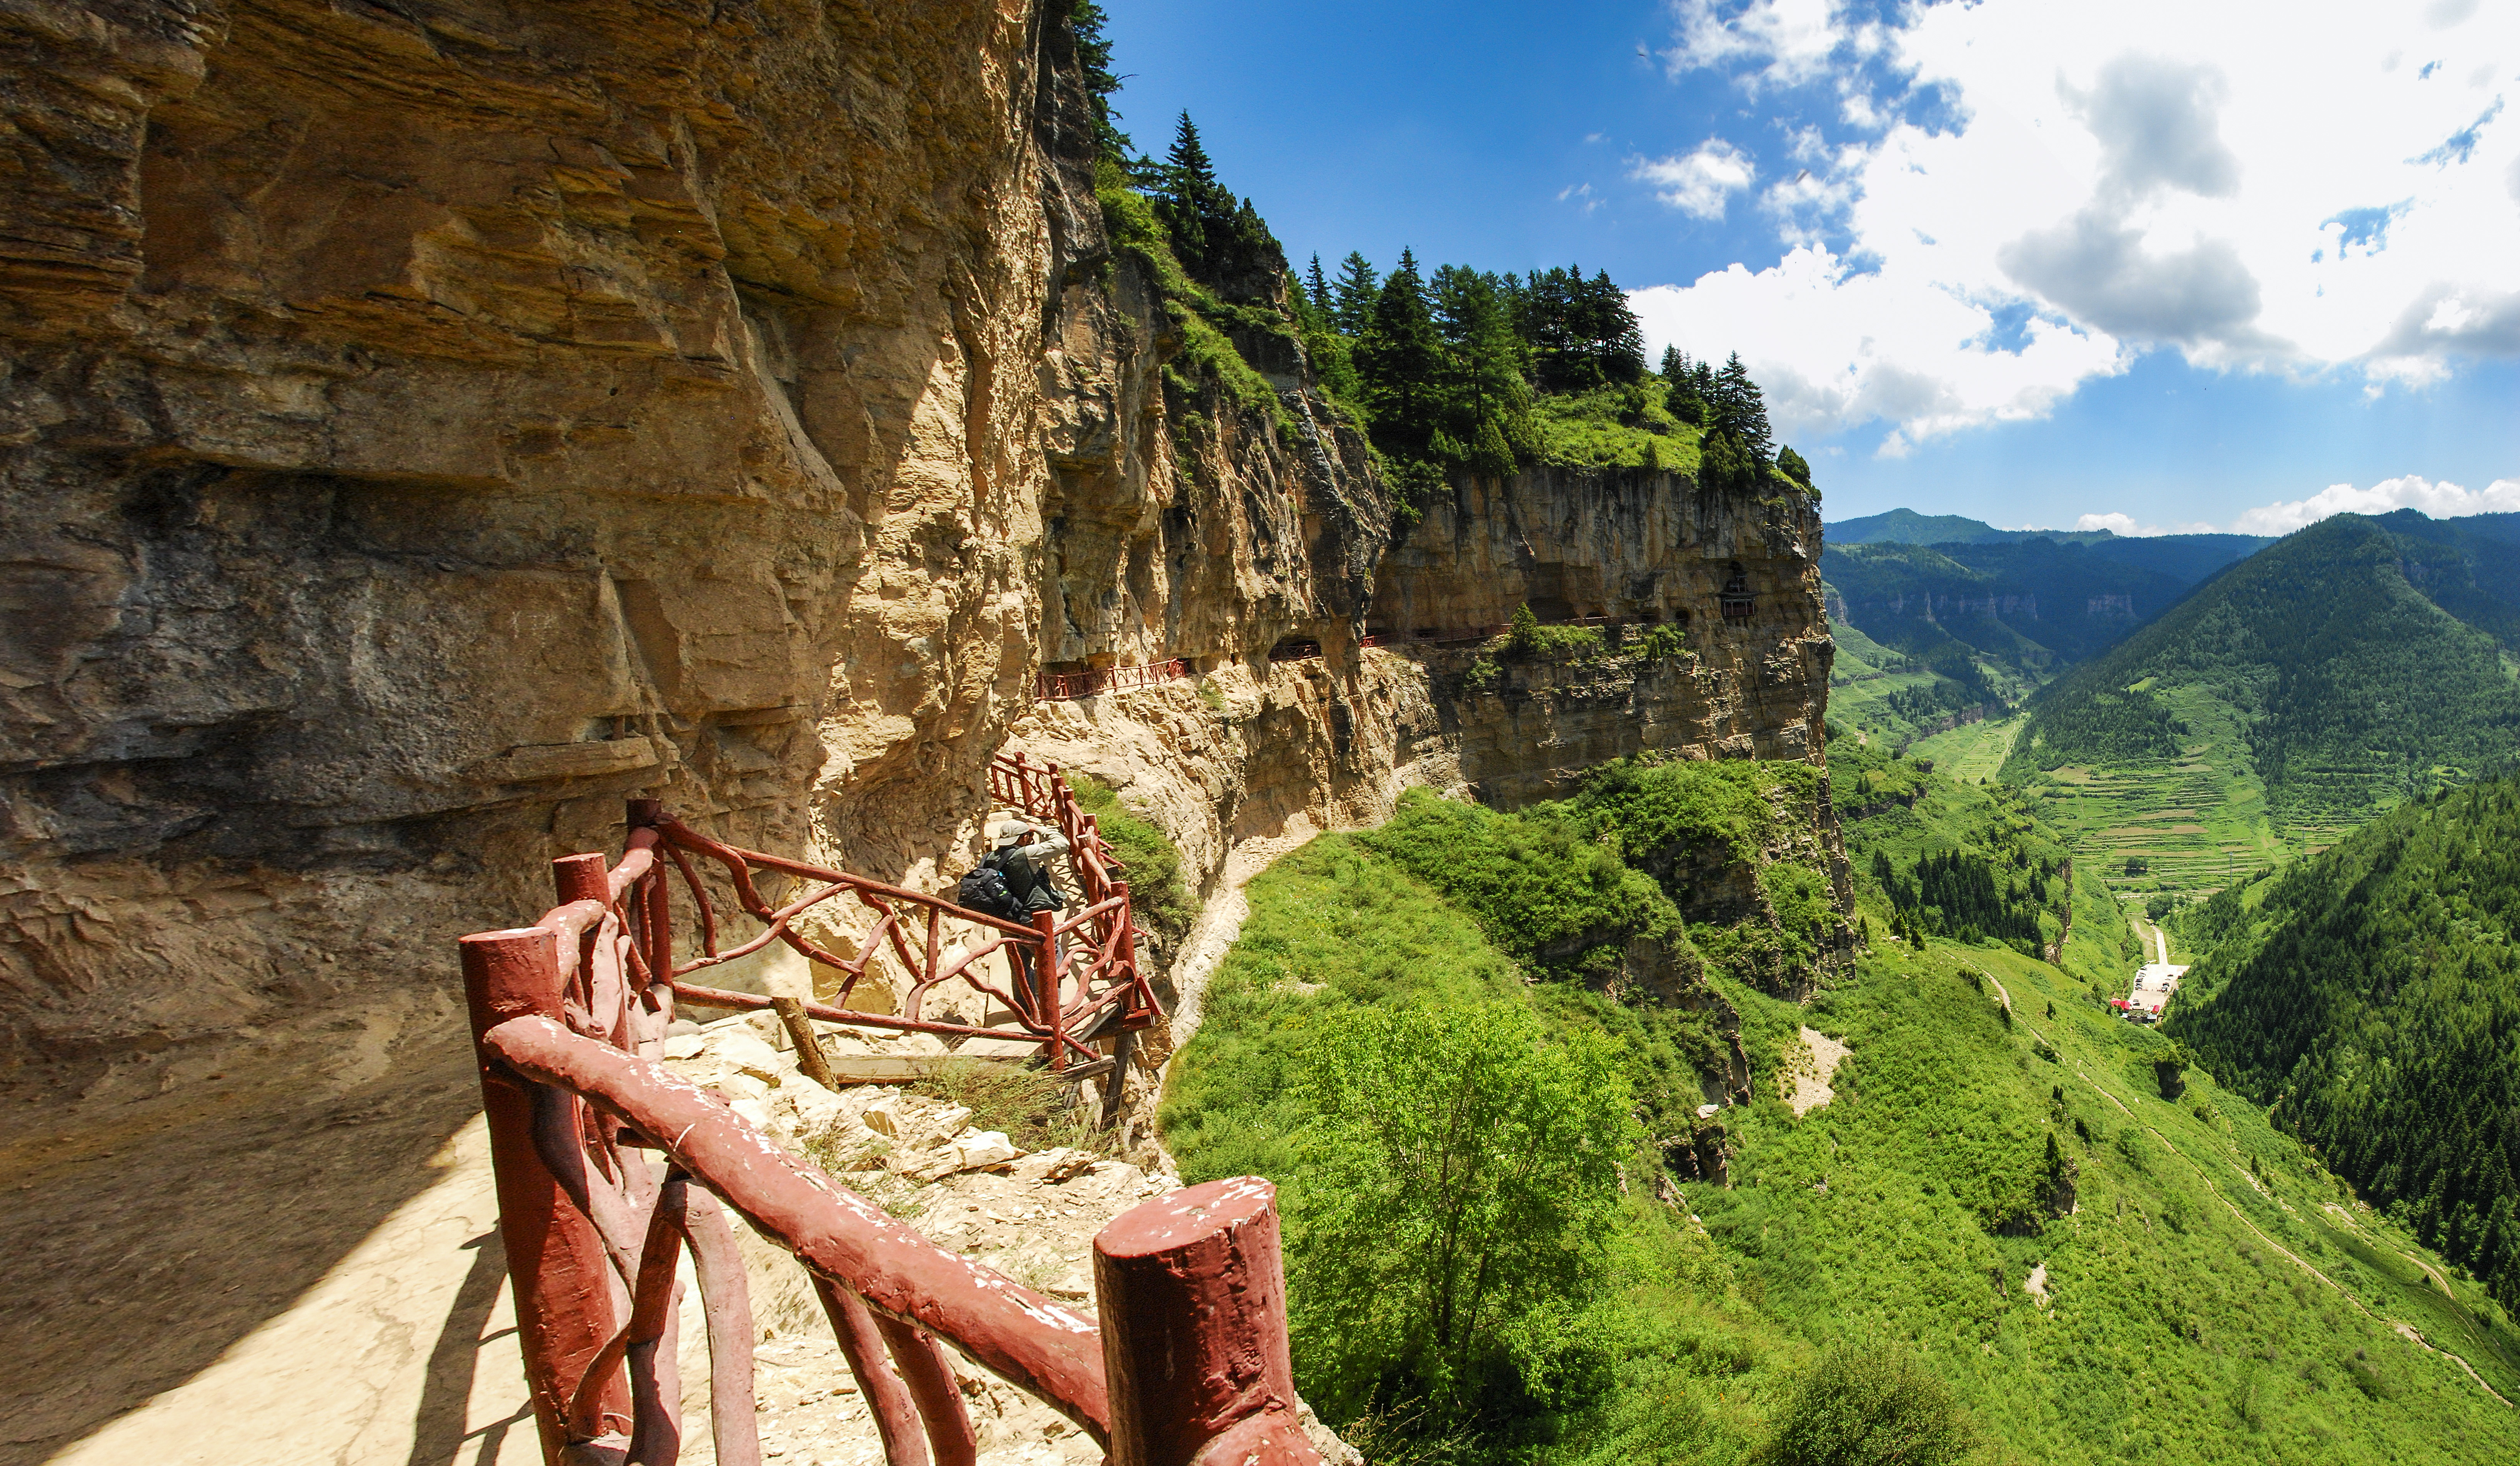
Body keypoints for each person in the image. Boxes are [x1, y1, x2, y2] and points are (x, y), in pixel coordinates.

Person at [986, 816, 1070, 1010]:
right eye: (1029, 836)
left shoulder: (990, 858)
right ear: (1024, 838)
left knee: (1020, 967)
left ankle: (1028, 1009)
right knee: (1051, 959)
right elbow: (1062, 843)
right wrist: (1039, 829)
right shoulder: (1025, 854)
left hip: (1006, 920)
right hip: (1033, 919)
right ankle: (1051, 1009)